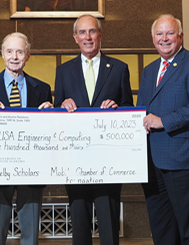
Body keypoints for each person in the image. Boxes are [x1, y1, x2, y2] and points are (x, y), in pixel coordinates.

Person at [0, 32, 53, 245]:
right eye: (10, 51)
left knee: (31, 236)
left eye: (20, 51)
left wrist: (53, 115)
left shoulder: (42, 89)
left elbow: (51, 135)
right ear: (2, 55)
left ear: (28, 55)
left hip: (32, 171)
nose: (15, 56)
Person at [54, 14, 133, 245]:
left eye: (92, 31)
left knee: (108, 222)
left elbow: (129, 108)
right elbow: (57, 115)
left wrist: (118, 108)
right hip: (75, 161)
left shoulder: (119, 68)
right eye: (82, 32)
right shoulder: (63, 71)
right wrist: (61, 106)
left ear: (100, 35)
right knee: (79, 222)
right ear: (75, 38)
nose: (87, 37)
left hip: (108, 162)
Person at [138, 14, 189, 245]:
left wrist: (164, 121)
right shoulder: (149, 70)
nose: (164, 38)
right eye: (159, 34)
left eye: (170, 33)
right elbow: (142, 111)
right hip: (152, 163)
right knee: (162, 230)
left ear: (180, 36)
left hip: (185, 159)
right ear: (153, 38)